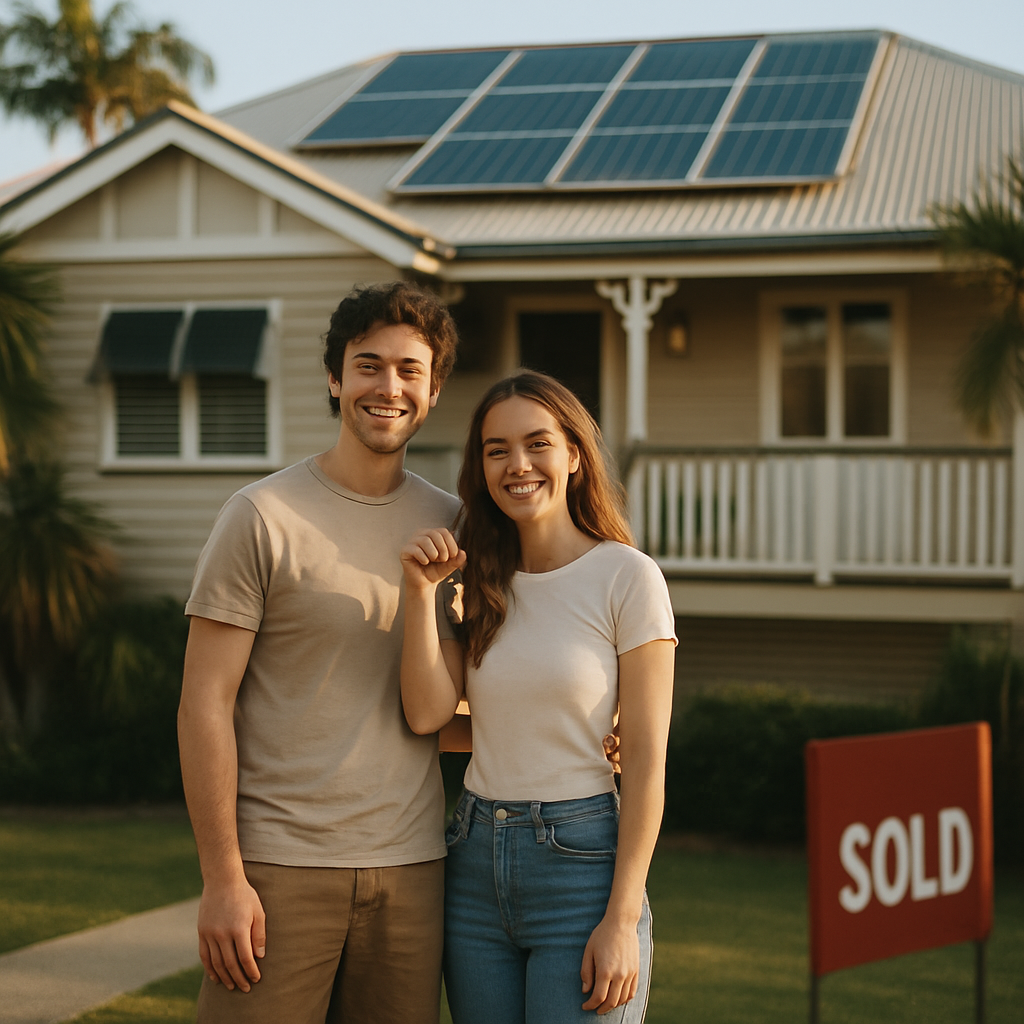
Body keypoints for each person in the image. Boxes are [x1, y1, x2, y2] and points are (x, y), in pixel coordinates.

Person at [177, 280, 462, 1024]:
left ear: (433, 391)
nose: (388, 387)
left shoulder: (456, 525)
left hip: (412, 870)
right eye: (369, 365)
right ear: (336, 379)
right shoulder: (261, 516)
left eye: (409, 370)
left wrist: (597, 736)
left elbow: (448, 704)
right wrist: (223, 879)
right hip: (276, 871)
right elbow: (204, 703)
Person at [400, 370, 676, 1023]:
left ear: (574, 455)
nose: (517, 465)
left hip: (582, 865)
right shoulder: (480, 579)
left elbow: (644, 760)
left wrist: (622, 915)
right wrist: (418, 596)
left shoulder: (626, 578)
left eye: (537, 443)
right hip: (472, 859)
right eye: (497, 450)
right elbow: (427, 713)